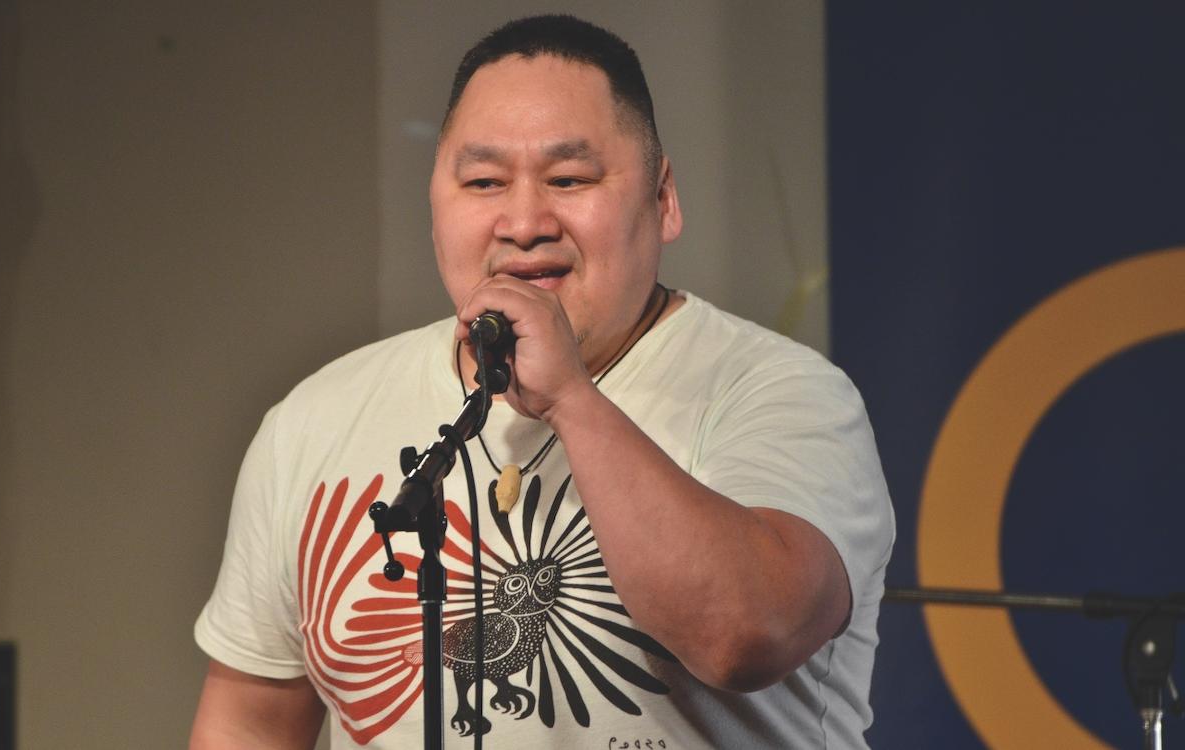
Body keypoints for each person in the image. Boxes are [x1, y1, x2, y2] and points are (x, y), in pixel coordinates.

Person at [190, 14, 893, 750]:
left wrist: (570, 398)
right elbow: (250, 719)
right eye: (485, 182)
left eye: (568, 179)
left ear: (664, 199)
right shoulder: (315, 419)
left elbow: (743, 636)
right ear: (435, 208)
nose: (524, 221)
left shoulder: (783, 395)